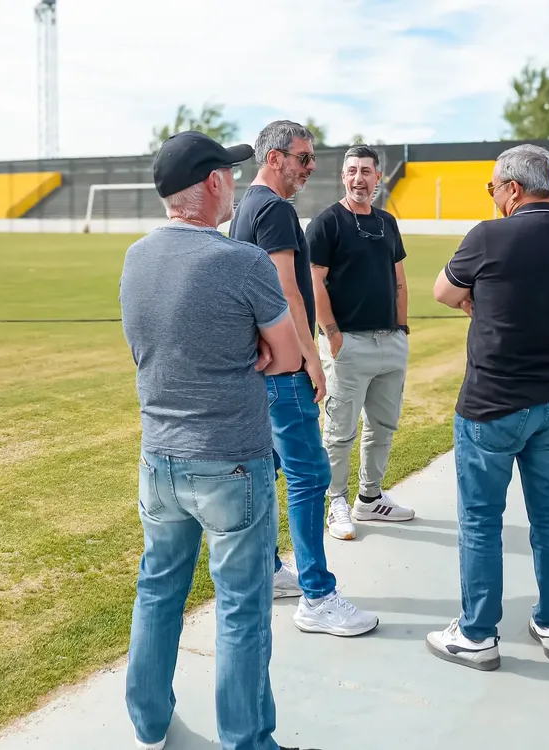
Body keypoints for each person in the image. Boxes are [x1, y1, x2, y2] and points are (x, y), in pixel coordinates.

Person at [119, 131, 308, 750]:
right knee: (241, 608)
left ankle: (148, 724)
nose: (232, 181)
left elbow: (148, 347)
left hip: (159, 456)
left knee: (158, 587)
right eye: (227, 172)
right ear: (212, 183)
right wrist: (251, 347)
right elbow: (286, 358)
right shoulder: (242, 261)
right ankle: (247, 741)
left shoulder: (136, 257)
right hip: (230, 459)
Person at [426, 144, 549, 669]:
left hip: (493, 401)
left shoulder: (489, 235)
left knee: (480, 520)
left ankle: (477, 631)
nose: (494, 197)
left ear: (513, 189)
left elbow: (442, 293)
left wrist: (479, 296)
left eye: (495, 188)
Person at [229, 120, 378, 636]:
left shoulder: (246, 207)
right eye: (303, 158)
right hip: (284, 367)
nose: (310, 168)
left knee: (267, 466)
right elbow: (286, 289)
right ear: (274, 158)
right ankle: (317, 595)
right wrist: (310, 358)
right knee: (311, 476)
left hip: (262, 366)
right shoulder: (273, 208)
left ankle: (268, 569)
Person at [307, 145, 415, 538]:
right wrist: (333, 336)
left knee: (383, 426)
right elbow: (314, 281)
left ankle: (370, 499)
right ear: (343, 177)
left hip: (390, 342)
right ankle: (336, 501)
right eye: (352, 171)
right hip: (347, 344)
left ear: (378, 177)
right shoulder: (326, 223)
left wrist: (401, 328)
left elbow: (399, 277)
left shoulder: (387, 222)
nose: (359, 178)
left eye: (366, 171)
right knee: (340, 430)